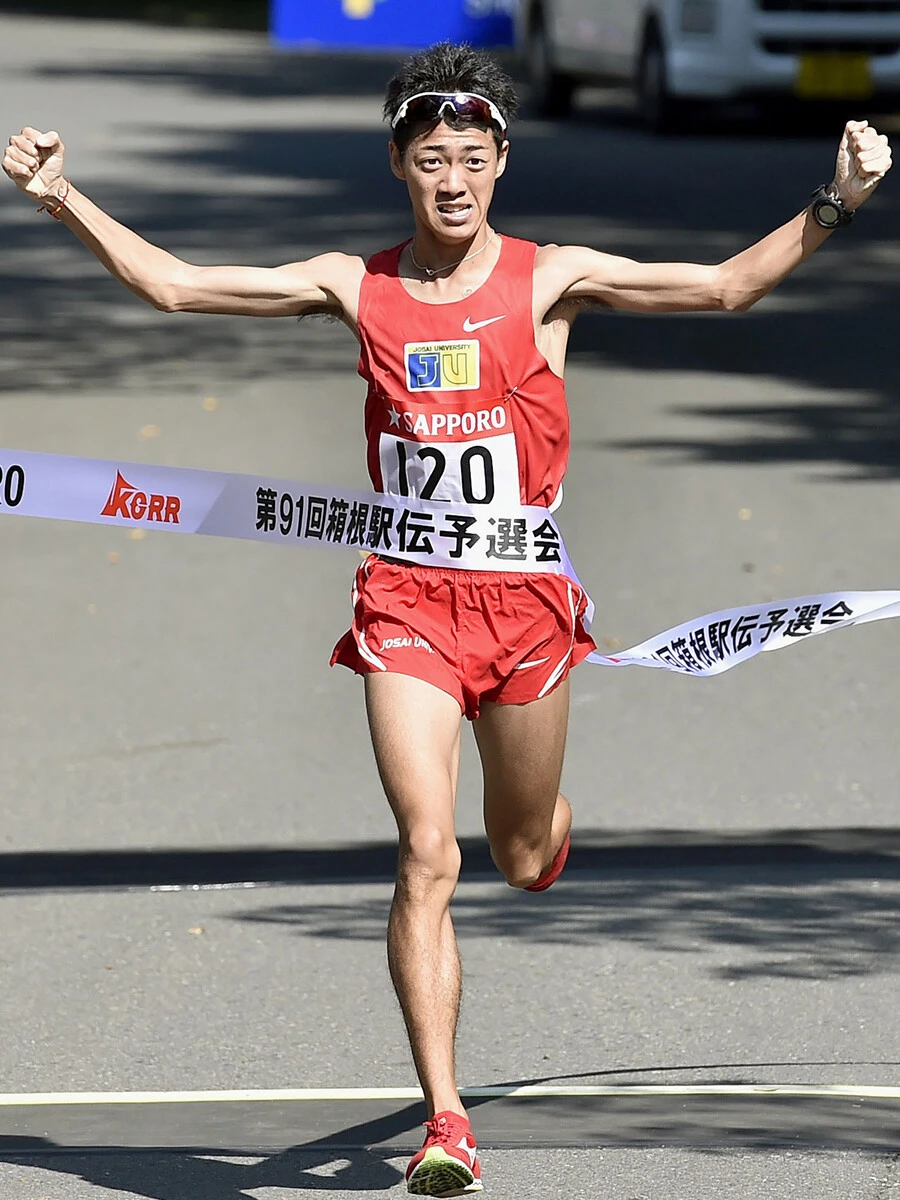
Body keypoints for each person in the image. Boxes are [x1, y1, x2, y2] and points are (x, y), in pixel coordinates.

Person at [3, 41, 891, 1198]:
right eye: (433, 160)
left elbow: (721, 287)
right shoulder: (351, 285)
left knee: (518, 856)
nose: (455, 180)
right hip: (406, 605)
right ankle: (448, 1121)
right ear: (399, 167)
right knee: (429, 847)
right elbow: (178, 286)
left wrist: (837, 202)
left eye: (473, 157)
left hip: (525, 609)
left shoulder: (545, 279)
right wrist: (61, 194)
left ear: (503, 162)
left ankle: (545, 820)